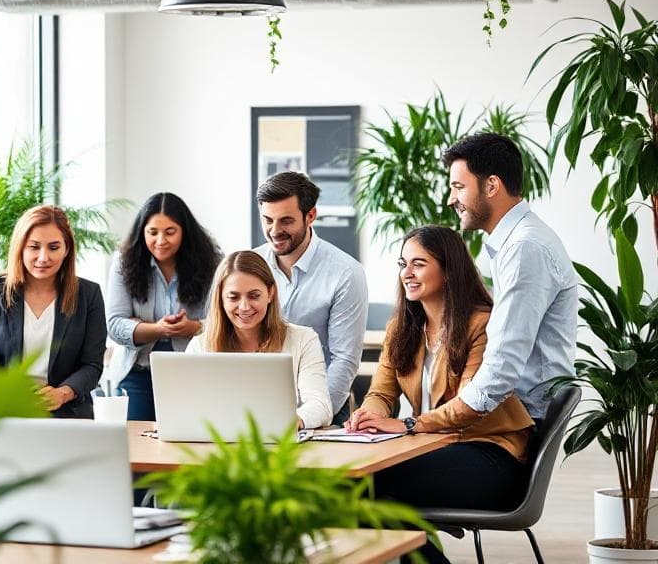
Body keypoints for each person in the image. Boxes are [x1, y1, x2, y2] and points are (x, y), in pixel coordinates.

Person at [347, 225, 534, 564]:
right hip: (436, 450)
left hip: (491, 456)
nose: (407, 273)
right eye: (403, 263)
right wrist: (369, 414)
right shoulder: (401, 328)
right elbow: (381, 391)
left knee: (370, 487)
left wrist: (407, 425)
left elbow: (468, 408)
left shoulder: (482, 324)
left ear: (448, 270)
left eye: (419, 264)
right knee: (358, 489)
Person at [442, 132, 577, 423]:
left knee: (400, 464)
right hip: (513, 414)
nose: (451, 200)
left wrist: (431, 420)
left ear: (491, 185)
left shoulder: (524, 248)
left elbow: (502, 365)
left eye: (457, 187)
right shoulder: (515, 243)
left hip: (522, 421)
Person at [0, 204, 106, 419]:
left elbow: (92, 365)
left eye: (53, 247)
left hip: (68, 414)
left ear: (66, 249)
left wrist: (63, 393)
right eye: (34, 247)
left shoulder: (89, 295)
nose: (43, 257)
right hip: (5, 415)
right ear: (20, 248)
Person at [254, 171, 368, 426]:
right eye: (267, 220)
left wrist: (309, 416)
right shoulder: (251, 265)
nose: (274, 231)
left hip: (321, 406)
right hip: (257, 403)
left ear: (311, 216)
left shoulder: (345, 273)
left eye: (286, 221)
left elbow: (344, 359)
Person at [104, 193, 222, 420]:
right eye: (152, 232)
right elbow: (115, 324)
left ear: (184, 232)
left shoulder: (212, 262)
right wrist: (158, 329)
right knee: (136, 444)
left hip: (192, 373)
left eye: (170, 232)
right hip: (137, 371)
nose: (160, 241)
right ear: (142, 232)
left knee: (187, 445)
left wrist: (194, 327)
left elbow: (224, 320)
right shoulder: (124, 262)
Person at [187, 251, 333, 429]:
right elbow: (188, 406)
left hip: (281, 447)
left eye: (254, 296)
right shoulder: (200, 346)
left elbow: (321, 406)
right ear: (221, 299)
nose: (245, 307)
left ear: (270, 293)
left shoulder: (303, 340)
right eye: (233, 297)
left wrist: (291, 422)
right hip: (217, 447)